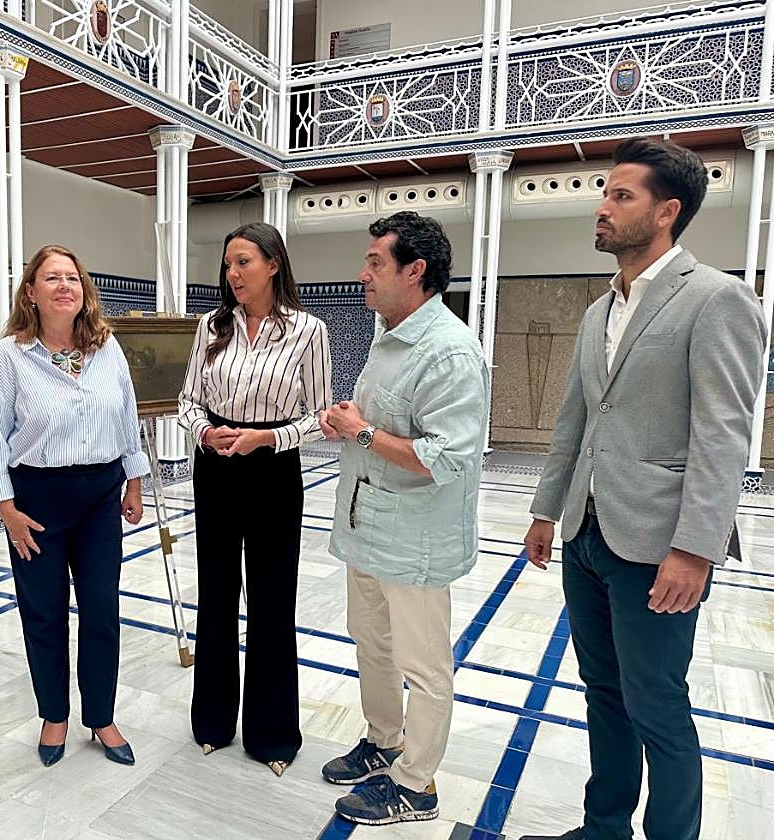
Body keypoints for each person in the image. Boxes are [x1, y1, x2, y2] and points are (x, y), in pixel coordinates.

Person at [520, 138, 767, 840]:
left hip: (658, 544)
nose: (602, 206)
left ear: (667, 212)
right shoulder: (603, 309)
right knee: (604, 695)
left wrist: (696, 549)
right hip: (587, 534)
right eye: (605, 191)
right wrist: (547, 509)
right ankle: (605, 829)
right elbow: (575, 417)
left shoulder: (718, 299)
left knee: (656, 702)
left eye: (620, 195)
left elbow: (723, 435)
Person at [320, 211, 488, 826]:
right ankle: (383, 741)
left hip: (415, 538)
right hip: (369, 528)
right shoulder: (389, 335)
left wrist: (360, 431)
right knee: (373, 644)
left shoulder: (448, 353)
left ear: (414, 272)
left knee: (424, 664)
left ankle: (416, 783)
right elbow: (375, 422)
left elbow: (445, 457)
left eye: (374, 263)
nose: (362, 274)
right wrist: (349, 421)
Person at [0, 244, 148, 768]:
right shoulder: (11, 355)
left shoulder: (106, 347)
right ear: (31, 291)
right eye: (51, 278)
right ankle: (54, 714)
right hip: (37, 501)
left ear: (83, 290)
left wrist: (134, 479)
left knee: (102, 608)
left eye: (72, 277)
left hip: (100, 495)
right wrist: (4, 506)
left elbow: (126, 414)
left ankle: (100, 716)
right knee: (44, 612)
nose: (64, 286)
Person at [177, 221, 332, 776]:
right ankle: (212, 722)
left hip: (271, 468)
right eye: (227, 264)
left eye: (243, 261)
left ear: (273, 264)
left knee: (271, 599)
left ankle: (272, 735)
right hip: (215, 467)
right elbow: (188, 398)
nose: (232, 273)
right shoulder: (211, 325)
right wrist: (203, 432)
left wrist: (268, 438)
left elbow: (321, 417)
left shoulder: (308, 331)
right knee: (216, 593)